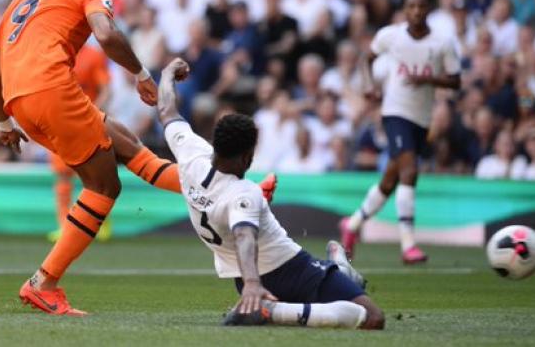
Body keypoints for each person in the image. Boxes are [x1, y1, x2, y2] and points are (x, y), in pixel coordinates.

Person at [0, 0, 185, 316]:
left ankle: (225, 191)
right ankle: (43, 282)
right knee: (104, 186)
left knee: (127, 144)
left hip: (19, 101)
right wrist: (142, 74)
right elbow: (106, 35)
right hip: (52, 90)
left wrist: (4, 122)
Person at [156, 58, 384, 330]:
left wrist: (167, 73)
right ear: (247, 157)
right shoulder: (244, 192)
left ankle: (332, 276)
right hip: (289, 270)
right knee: (371, 316)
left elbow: (167, 109)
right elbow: (244, 236)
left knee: (328, 298)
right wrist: (255, 285)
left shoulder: (190, 154)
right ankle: (273, 310)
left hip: (243, 277)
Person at [339, 0, 461, 264]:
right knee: (410, 170)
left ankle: (354, 224)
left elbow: (455, 81)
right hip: (395, 111)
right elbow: (366, 59)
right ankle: (408, 245)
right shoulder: (390, 35)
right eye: (411, 6)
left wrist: (429, 80)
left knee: (391, 179)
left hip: (422, 117)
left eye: (421, 6)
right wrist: (369, 86)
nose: (416, 11)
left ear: (428, 9)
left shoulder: (443, 42)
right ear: (405, 11)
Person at [48, 42, 112, 243]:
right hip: (60, 124)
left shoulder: (93, 56)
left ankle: (100, 223)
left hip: (87, 123)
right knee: (63, 175)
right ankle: (65, 226)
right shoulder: (53, 55)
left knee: (94, 175)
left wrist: (92, 114)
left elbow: (106, 90)